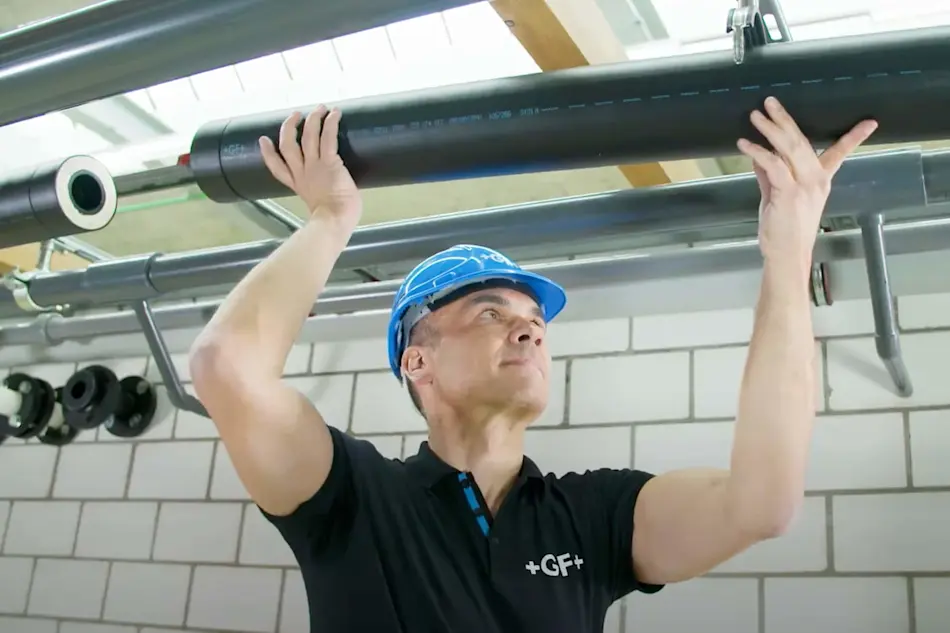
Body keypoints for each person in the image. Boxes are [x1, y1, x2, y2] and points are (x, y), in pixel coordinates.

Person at [188, 98, 878, 633]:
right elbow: (228, 365)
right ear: (416, 359)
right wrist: (330, 217)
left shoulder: (593, 516)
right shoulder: (354, 497)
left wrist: (788, 254)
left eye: (535, 320)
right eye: (491, 312)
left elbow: (762, 503)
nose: (528, 329)